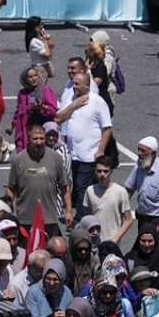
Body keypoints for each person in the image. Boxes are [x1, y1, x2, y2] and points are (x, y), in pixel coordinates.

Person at [55, 72, 111, 213]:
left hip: (88, 155)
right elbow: (58, 119)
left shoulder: (98, 102)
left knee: (82, 187)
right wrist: (74, 104)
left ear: (87, 85)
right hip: (72, 154)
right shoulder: (72, 99)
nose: (74, 87)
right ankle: (81, 214)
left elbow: (107, 128)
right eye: (73, 83)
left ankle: (82, 218)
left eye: (77, 84)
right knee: (73, 186)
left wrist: (100, 150)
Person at [6, 124, 70, 237]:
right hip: (25, 219)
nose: (39, 142)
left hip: (49, 218)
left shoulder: (56, 158)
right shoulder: (18, 159)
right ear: (28, 139)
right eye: (35, 139)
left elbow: (64, 186)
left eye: (42, 138)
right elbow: (11, 188)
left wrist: (69, 211)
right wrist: (6, 210)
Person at [84, 156, 134, 245]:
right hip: (94, 241)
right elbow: (88, 216)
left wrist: (116, 238)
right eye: (99, 171)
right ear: (94, 171)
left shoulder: (120, 192)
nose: (102, 174)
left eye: (105, 171)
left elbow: (128, 219)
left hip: (112, 242)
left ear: (111, 172)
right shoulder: (90, 191)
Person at [7, 67, 57, 154]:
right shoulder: (22, 93)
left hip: (39, 130)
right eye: (30, 77)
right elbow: (18, 111)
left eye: (35, 75)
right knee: (22, 157)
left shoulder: (44, 90)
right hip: (23, 130)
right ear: (25, 79)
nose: (34, 79)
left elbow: (53, 111)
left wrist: (42, 107)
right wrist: (11, 126)